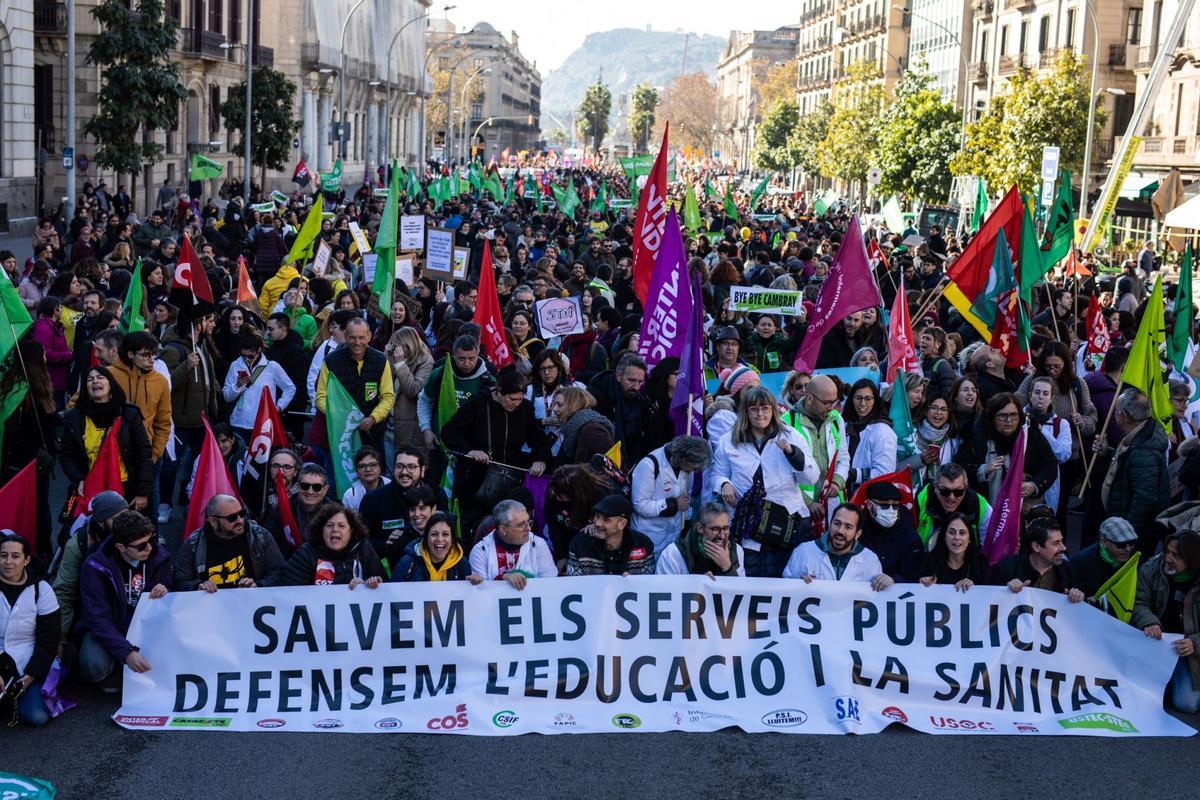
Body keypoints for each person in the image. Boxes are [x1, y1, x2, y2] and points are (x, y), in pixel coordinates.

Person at [712, 384, 818, 577]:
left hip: (788, 523)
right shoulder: (728, 440)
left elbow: (811, 477)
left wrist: (793, 453)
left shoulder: (791, 435)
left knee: (789, 580)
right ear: (745, 411)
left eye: (765, 408)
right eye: (754, 409)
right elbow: (717, 474)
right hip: (749, 527)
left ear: (773, 410)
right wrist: (724, 484)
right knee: (754, 580)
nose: (760, 414)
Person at [441, 366, 550, 531]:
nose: (516, 404)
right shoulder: (478, 403)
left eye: (520, 399)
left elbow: (537, 437)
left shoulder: (525, 408)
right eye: (512, 399)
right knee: (474, 528)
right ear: (499, 392)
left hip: (510, 480)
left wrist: (540, 459)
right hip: (476, 481)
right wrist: (470, 451)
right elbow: (449, 432)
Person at [77, 510, 170, 691]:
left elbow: (171, 600)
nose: (150, 548)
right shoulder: (95, 567)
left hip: (146, 625)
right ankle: (116, 670)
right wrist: (126, 653)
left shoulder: (160, 557)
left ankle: (125, 670)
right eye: (141, 546)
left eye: (151, 540)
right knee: (94, 667)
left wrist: (167, 590)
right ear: (120, 547)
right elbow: (97, 618)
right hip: (113, 627)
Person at [60, 367, 154, 511]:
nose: (95, 381)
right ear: (86, 388)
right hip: (89, 488)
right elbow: (66, 456)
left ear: (111, 385)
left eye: (100, 378)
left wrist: (142, 492)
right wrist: (78, 479)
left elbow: (144, 453)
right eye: (90, 379)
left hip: (126, 488)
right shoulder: (74, 418)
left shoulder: (129, 414)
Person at [1132, 529, 1200, 714]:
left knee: (1187, 704)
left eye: (1175, 555)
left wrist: (1194, 643)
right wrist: (1149, 621)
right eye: (1167, 551)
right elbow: (1139, 601)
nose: (1168, 558)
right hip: (1159, 641)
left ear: (1192, 558)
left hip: (1189, 648)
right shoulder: (1152, 567)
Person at [1101, 389, 1171, 557]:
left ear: (1124, 415)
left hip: (1135, 535)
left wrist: (1126, 534)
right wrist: (1108, 452)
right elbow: (1129, 466)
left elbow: (1145, 498)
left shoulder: (1144, 449)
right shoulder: (1141, 434)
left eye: (1116, 411)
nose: (1114, 414)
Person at [0, 531, 61, 727]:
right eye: (3, 555)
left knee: (37, 716)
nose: (8, 561)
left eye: (15, 556)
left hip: (27, 659)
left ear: (26, 560)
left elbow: (49, 639)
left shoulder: (42, 589)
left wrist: (32, 674)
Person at [956, 393, 1057, 508]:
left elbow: (1050, 466)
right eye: (1002, 416)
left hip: (1022, 509)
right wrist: (983, 469)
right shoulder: (977, 438)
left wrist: (1033, 486)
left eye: (1014, 415)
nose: (1009, 420)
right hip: (985, 509)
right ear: (992, 417)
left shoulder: (1030, 435)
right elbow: (960, 467)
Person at [172, 494, 285, 592]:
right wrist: (198, 586)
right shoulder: (193, 544)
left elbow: (279, 571)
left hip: (250, 607)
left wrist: (258, 585)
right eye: (232, 518)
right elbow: (179, 580)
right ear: (213, 522)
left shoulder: (260, 536)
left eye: (242, 513)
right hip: (209, 610)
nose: (240, 520)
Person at [315, 317, 394, 452]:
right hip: (340, 435)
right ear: (345, 336)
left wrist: (373, 418)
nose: (357, 342)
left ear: (369, 336)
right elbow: (321, 397)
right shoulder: (331, 361)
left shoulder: (381, 361)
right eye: (352, 337)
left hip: (371, 435)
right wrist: (339, 416)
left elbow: (388, 397)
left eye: (361, 337)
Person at [358, 448, 448, 563]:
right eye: (399, 466)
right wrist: (387, 544)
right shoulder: (373, 499)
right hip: (392, 567)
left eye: (411, 467)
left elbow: (448, 532)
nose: (404, 472)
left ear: (422, 470)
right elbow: (362, 542)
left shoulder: (437, 494)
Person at [630, 436, 711, 554]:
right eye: (694, 467)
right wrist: (673, 505)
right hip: (649, 535)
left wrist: (687, 521)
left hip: (674, 536)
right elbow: (639, 504)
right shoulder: (649, 465)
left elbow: (686, 498)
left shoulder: (688, 470)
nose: (695, 471)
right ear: (683, 459)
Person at [783, 374, 849, 513]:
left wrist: (838, 481)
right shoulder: (786, 422)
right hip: (800, 509)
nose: (832, 407)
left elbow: (843, 458)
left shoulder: (836, 419)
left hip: (832, 504)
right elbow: (782, 473)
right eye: (826, 402)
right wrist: (807, 502)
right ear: (809, 398)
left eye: (834, 402)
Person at [782, 503, 889, 589]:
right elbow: (784, 589)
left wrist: (888, 583)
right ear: (830, 523)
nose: (840, 530)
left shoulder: (870, 560)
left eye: (848, 527)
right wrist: (797, 584)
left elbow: (877, 598)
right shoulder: (803, 551)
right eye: (837, 523)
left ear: (857, 534)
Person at [278, 505, 386, 588]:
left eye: (341, 526)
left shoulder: (364, 549)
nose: (335, 529)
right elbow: (290, 594)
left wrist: (367, 585)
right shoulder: (306, 553)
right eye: (329, 525)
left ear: (351, 531)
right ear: (321, 530)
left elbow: (386, 587)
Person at [222, 330, 296, 442]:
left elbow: (290, 388)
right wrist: (237, 385)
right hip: (237, 423)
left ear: (259, 350)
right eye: (243, 356)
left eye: (250, 356)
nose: (246, 359)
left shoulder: (272, 367)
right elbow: (227, 397)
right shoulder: (235, 365)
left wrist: (279, 407)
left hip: (263, 425)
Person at [468, 499, 557, 588]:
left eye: (528, 522)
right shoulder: (480, 552)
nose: (529, 528)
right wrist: (503, 579)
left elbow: (550, 586)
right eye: (521, 525)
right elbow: (481, 592)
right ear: (503, 529)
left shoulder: (538, 544)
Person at [991, 517, 1084, 600]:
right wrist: (1005, 590)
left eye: (1062, 541)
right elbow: (988, 601)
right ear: (1036, 546)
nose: (1063, 548)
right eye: (1056, 543)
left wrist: (1077, 596)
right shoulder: (1007, 568)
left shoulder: (1068, 571)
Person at [565, 494, 656, 576]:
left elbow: (648, 583)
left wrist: (633, 583)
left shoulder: (643, 545)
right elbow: (575, 584)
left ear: (622, 524)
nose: (597, 523)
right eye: (597, 516)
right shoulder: (579, 544)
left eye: (606, 520)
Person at [587, 352, 649, 467]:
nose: (636, 387)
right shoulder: (597, 394)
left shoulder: (641, 401)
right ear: (619, 376)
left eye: (640, 382)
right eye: (631, 380)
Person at [655, 502, 746, 577]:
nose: (722, 536)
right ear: (700, 528)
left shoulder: (737, 551)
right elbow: (664, 593)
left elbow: (742, 593)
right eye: (715, 529)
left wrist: (727, 567)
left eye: (726, 528)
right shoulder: (673, 554)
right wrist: (698, 584)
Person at [857, 481, 924, 583]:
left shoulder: (909, 536)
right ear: (870, 505)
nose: (891, 510)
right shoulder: (857, 529)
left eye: (895, 506)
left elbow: (915, 575)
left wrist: (895, 579)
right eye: (884, 506)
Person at [914, 463, 993, 549]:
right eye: (945, 492)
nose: (951, 498)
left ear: (965, 488)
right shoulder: (920, 498)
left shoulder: (979, 505)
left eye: (958, 492)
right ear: (935, 488)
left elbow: (988, 546)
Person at [386, 326, 435, 454]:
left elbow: (413, 390)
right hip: (389, 425)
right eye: (394, 346)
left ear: (409, 345)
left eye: (398, 346)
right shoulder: (394, 358)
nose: (396, 350)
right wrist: (387, 358)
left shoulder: (425, 362)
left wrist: (400, 364)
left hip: (410, 426)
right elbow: (384, 384)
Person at [842, 378, 896, 488]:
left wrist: (852, 474)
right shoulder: (845, 425)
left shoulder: (883, 431)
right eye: (858, 398)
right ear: (851, 399)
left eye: (868, 399)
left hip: (867, 497)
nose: (862, 403)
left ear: (875, 400)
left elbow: (885, 473)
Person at [918, 513, 990, 591]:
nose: (957, 537)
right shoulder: (928, 562)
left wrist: (975, 587)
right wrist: (924, 583)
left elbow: (990, 595)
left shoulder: (981, 564)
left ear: (969, 539)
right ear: (944, 537)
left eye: (962, 533)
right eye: (952, 532)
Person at [546, 385, 615, 467]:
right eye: (554, 404)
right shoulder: (573, 427)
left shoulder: (591, 429)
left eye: (559, 405)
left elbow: (612, 464)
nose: (555, 409)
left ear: (574, 406)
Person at [390, 511, 469, 582]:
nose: (440, 539)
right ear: (426, 538)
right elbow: (392, 593)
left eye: (445, 534)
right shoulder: (407, 563)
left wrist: (476, 584)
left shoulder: (462, 564)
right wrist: (379, 586)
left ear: (452, 539)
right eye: (434, 534)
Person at [1072, 517, 1139, 599]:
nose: (1127, 549)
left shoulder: (1135, 556)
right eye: (1120, 545)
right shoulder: (1081, 562)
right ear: (1103, 541)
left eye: (1132, 543)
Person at [30, 297, 73, 409]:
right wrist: (69, 355)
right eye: (61, 308)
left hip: (58, 378)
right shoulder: (43, 328)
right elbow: (44, 353)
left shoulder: (54, 326)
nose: (62, 310)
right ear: (55, 310)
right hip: (51, 379)